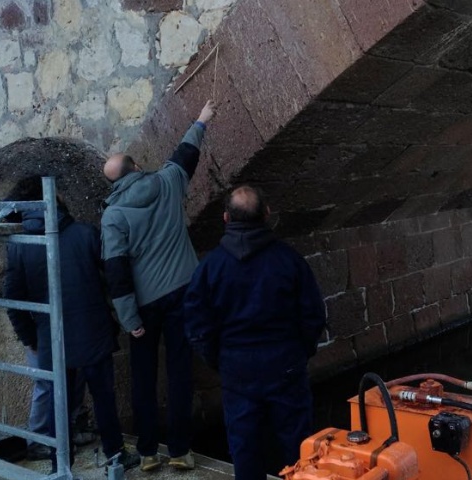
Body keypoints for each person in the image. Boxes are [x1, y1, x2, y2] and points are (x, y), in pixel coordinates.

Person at [101, 100, 216, 472]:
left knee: (143, 378)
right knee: (181, 372)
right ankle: (181, 450)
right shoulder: (166, 182)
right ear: (136, 167)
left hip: (145, 306)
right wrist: (201, 119)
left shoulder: (113, 216)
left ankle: (149, 451)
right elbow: (185, 154)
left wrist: (129, 318)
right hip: (183, 291)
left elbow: (116, 273)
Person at [182, 185, 327, 480]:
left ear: (226, 218)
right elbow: (313, 314)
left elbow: (197, 323)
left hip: (238, 368)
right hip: (285, 364)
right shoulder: (289, 260)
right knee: (298, 443)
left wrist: (219, 358)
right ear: (267, 214)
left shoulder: (211, 267)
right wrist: (301, 352)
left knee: (244, 446)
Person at [3, 176, 139, 471]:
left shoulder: (20, 245)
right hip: (93, 331)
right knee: (103, 397)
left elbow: (13, 298)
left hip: (49, 336)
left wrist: (30, 338)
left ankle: (59, 463)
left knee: (57, 402)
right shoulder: (85, 233)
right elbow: (110, 278)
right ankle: (115, 453)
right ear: (56, 201)